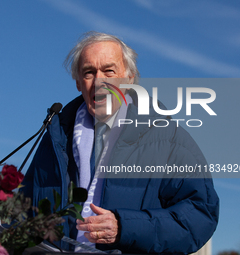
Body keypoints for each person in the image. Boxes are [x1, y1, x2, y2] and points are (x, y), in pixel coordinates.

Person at [21, 31, 219, 254]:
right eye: (88, 72)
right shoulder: (56, 137)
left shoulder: (169, 138)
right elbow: (23, 210)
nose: (99, 81)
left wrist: (125, 227)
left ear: (129, 78)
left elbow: (201, 215)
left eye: (109, 70)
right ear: (78, 83)